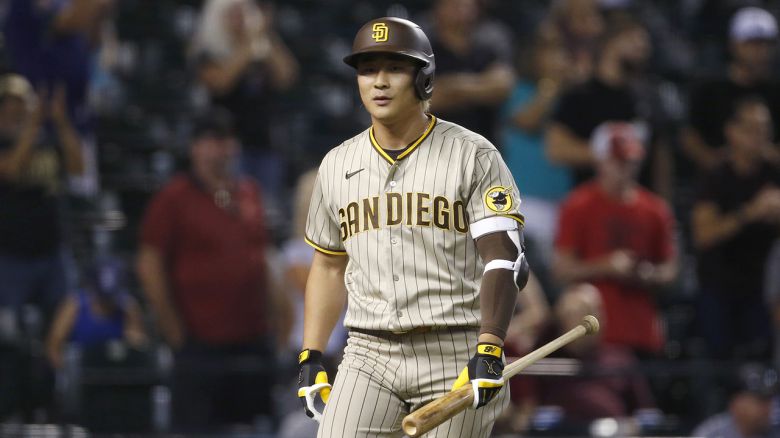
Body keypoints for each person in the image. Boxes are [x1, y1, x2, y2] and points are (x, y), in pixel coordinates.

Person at [297, 17, 529, 438]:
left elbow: (505, 259)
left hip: (455, 347)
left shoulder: (473, 154)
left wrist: (490, 346)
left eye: (395, 68)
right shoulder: (336, 164)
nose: (379, 81)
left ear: (424, 79)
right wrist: (311, 355)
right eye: (368, 69)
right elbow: (329, 265)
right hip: (368, 353)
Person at [137, 107, 290, 433]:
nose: (220, 149)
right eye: (211, 141)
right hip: (199, 346)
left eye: (226, 140)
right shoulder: (174, 198)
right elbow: (149, 264)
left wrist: (280, 317)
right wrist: (173, 329)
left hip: (251, 341)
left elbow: (263, 258)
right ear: (195, 148)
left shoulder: (249, 192)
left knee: (256, 429)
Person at [552, 121, 678, 357]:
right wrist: (606, 266)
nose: (625, 169)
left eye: (630, 161)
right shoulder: (578, 205)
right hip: (596, 332)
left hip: (643, 329)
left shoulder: (655, 210)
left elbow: (670, 270)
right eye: (617, 161)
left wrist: (646, 273)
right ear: (601, 161)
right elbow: (562, 269)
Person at [692, 97, 780, 361]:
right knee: (718, 358)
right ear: (732, 131)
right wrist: (750, 212)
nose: (759, 137)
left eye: (765, 129)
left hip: (765, 288)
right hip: (721, 286)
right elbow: (703, 236)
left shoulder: (774, 173)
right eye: (752, 129)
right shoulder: (716, 176)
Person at [545, 20, 673, 196]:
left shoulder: (650, 95)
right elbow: (556, 150)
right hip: (592, 202)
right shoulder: (580, 95)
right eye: (632, 39)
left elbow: (660, 154)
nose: (642, 46)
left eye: (645, 41)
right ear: (609, 43)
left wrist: (664, 200)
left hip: (639, 202)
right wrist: (608, 153)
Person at [191, 0, 299, 202]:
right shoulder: (210, 51)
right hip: (228, 145)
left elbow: (287, 75)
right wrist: (248, 45)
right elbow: (221, 82)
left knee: (267, 207)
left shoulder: (261, 50)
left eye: (244, 13)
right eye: (233, 14)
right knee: (232, 204)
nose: (239, 19)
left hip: (265, 142)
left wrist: (266, 35)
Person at [0, 74, 84, 322]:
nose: (17, 109)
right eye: (10, 102)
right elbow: (12, 170)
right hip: (12, 257)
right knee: (10, 329)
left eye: (22, 102)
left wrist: (61, 122)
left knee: (64, 323)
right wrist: (33, 126)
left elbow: (78, 167)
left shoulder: (47, 139)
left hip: (53, 253)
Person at [524, 283, 658, 432]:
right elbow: (528, 414)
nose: (579, 321)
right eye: (572, 314)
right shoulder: (546, 361)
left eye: (587, 313)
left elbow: (647, 414)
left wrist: (631, 427)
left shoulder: (621, 359)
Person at [502, 40, 575, 271]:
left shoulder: (570, 97)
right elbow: (528, 121)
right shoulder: (519, 90)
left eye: (564, 54)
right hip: (526, 199)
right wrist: (552, 85)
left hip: (562, 200)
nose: (560, 61)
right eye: (552, 53)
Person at [682, 7, 780, 174]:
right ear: (733, 44)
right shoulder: (709, 88)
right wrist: (714, 163)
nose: (760, 51)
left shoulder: (776, 89)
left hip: (770, 179)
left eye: (766, 44)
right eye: (752, 43)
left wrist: (768, 154)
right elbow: (689, 135)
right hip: (719, 179)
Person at [423, 0, 515, 144]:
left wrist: (452, 88)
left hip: (484, 147)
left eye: (468, 5)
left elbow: (502, 87)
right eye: (455, 5)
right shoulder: (423, 50)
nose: (462, 10)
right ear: (438, 8)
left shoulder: (488, 48)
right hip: (436, 146)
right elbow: (420, 101)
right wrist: (482, 87)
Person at [45, 256, 147, 369]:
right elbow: (54, 345)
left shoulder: (127, 306)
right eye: (103, 296)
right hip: (83, 368)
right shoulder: (75, 304)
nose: (106, 301)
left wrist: (134, 341)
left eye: (110, 297)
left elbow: (140, 346)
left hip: (115, 368)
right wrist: (64, 369)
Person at [693, 363, 780, 438]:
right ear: (737, 403)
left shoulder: (775, 432)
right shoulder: (712, 434)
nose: (768, 407)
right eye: (760, 400)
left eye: (769, 400)